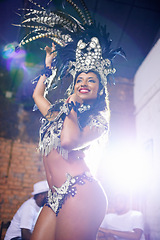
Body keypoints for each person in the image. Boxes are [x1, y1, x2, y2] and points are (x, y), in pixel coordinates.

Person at [14, 1, 125, 239]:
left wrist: (72, 105)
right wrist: (48, 69)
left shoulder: (97, 120)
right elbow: (37, 96)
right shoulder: (57, 113)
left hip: (81, 192)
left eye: (91, 80)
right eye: (79, 79)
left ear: (100, 88)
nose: (84, 83)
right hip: (54, 196)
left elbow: (68, 141)